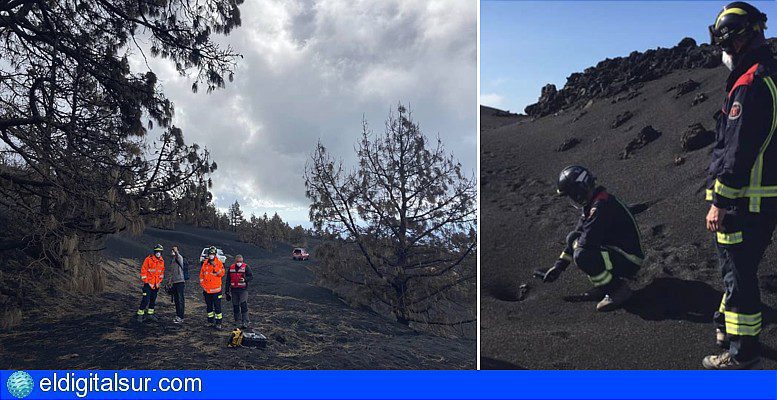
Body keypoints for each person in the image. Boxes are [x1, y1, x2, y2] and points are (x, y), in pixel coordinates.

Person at [704, 1, 775, 369]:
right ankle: (724, 326)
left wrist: (720, 200)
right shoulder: (769, 74)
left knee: (739, 275)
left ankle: (742, 354)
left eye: (724, 44)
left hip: (743, 202)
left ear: (738, 38)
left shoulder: (750, 83)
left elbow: (737, 151)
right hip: (764, 200)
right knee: (739, 270)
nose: (723, 51)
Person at [534, 166, 645, 312]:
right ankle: (604, 286)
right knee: (576, 244)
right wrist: (558, 266)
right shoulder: (594, 203)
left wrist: (574, 243)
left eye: (571, 194)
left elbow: (587, 241)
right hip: (620, 252)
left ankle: (618, 290)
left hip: (630, 259)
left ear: (579, 190)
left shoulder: (600, 207)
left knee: (583, 255)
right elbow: (578, 233)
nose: (572, 199)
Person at [137, 244, 165, 323]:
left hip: (156, 285)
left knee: (153, 300)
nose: (158, 253)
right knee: (145, 300)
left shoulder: (162, 261)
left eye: (160, 251)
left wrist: (159, 282)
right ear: (154, 252)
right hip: (148, 285)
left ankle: (150, 314)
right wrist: (147, 282)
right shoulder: (148, 259)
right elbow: (143, 270)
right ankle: (140, 314)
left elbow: (161, 273)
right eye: (157, 251)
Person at [200, 246, 225, 329]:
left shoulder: (219, 263)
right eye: (210, 254)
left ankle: (218, 323)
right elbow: (201, 276)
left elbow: (221, 274)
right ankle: (210, 321)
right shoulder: (205, 263)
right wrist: (203, 286)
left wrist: (215, 266)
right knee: (209, 307)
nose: (211, 255)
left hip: (216, 290)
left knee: (217, 307)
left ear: (215, 255)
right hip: (207, 290)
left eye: (212, 254)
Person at [225, 255, 254, 329]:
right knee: (235, 306)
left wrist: (245, 279)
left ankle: (245, 322)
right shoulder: (231, 268)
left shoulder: (246, 267)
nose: (239, 263)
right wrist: (226, 291)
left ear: (242, 261)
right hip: (234, 290)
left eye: (240, 261)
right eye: (238, 262)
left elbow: (251, 277)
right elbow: (228, 280)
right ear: (235, 261)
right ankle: (237, 321)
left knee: (243, 304)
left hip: (243, 290)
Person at [165, 246, 186, 324]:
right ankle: (178, 315)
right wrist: (169, 281)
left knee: (180, 299)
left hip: (180, 281)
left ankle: (181, 317)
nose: (172, 252)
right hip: (175, 282)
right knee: (176, 299)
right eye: (172, 251)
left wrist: (176, 251)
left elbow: (178, 256)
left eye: (173, 251)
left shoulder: (179, 258)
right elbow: (171, 272)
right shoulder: (173, 260)